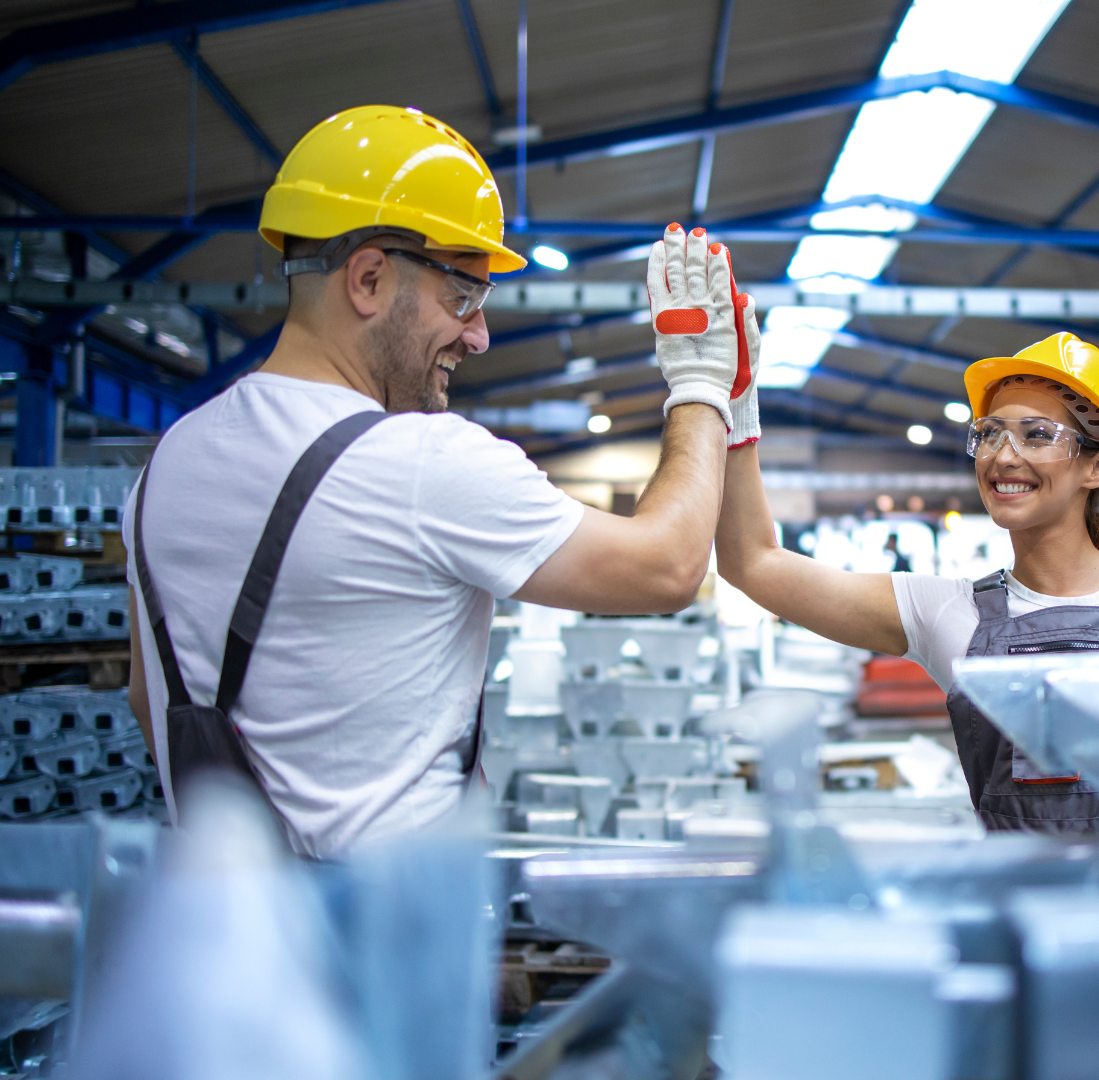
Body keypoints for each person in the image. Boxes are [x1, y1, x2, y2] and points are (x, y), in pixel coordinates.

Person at [125, 106, 751, 859]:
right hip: (390, 953)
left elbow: (147, 699)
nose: (479, 335)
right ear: (367, 278)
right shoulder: (421, 463)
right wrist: (700, 387)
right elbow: (670, 566)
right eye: (463, 296)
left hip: (224, 943)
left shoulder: (163, 470)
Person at [716, 329, 1099, 836]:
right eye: (990, 433)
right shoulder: (949, 615)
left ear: (1097, 468)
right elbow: (752, 563)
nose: (1002, 455)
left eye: (1037, 435)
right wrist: (732, 405)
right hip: (1017, 913)